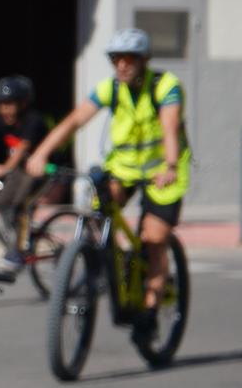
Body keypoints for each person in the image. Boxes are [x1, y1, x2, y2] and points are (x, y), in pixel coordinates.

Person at [23, 28, 190, 324]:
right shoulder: (110, 89)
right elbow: (75, 120)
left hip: (162, 172)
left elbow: (170, 127)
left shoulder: (165, 86)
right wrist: (41, 153)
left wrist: (171, 166)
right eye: (116, 59)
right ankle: (112, 265)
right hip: (123, 169)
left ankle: (150, 309)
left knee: (154, 238)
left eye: (129, 59)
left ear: (144, 60)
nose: (122, 65)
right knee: (98, 219)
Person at [0, 75, 48, 260]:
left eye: (10, 104)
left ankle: (19, 249)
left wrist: (5, 168)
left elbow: (22, 148)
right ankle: (16, 240)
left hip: (39, 171)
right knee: (1, 203)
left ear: (23, 104)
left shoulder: (32, 120)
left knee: (19, 206)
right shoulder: (0, 121)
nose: (5, 110)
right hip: (19, 172)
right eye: (2, 104)